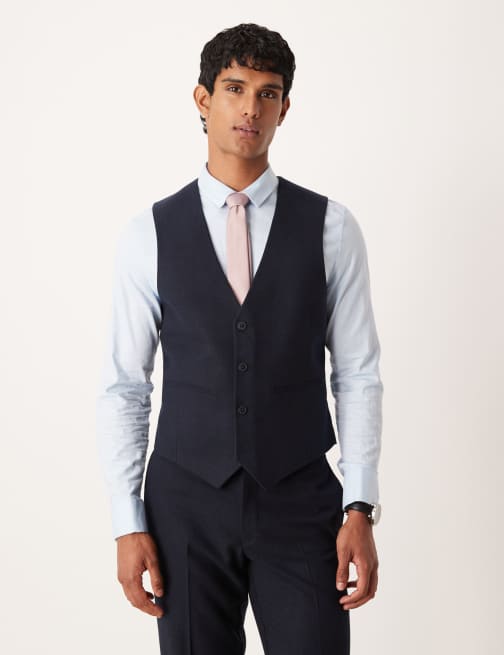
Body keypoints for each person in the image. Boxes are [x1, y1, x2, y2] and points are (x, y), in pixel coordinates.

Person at [96, 22, 383, 655]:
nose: (250, 108)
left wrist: (360, 505)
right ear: (203, 99)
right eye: (234, 88)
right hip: (184, 506)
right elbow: (125, 386)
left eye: (267, 93)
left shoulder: (333, 229)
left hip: (300, 500)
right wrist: (126, 521)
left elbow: (358, 373)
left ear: (285, 107)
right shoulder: (148, 234)